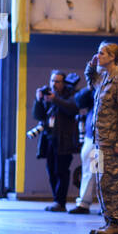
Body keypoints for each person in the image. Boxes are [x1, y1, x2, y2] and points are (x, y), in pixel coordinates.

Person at [86, 41, 118, 234]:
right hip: (99, 142)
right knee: (100, 181)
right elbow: (91, 80)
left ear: (112, 56)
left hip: (112, 144)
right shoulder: (104, 78)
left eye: (102, 53)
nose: (98, 56)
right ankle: (107, 220)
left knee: (112, 183)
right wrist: (90, 66)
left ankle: (115, 223)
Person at [32, 69, 79, 210]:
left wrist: (55, 99)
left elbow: (72, 109)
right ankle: (56, 200)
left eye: (57, 81)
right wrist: (38, 100)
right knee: (51, 170)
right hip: (50, 139)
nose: (54, 84)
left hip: (64, 139)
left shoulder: (70, 94)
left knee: (62, 171)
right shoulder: (47, 96)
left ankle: (60, 202)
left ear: (63, 83)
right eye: (52, 80)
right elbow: (38, 116)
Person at [69, 77, 97, 214]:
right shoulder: (93, 89)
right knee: (88, 170)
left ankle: (108, 206)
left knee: (104, 173)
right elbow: (79, 101)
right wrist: (90, 87)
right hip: (91, 136)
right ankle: (84, 204)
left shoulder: (116, 83)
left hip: (105, 138)